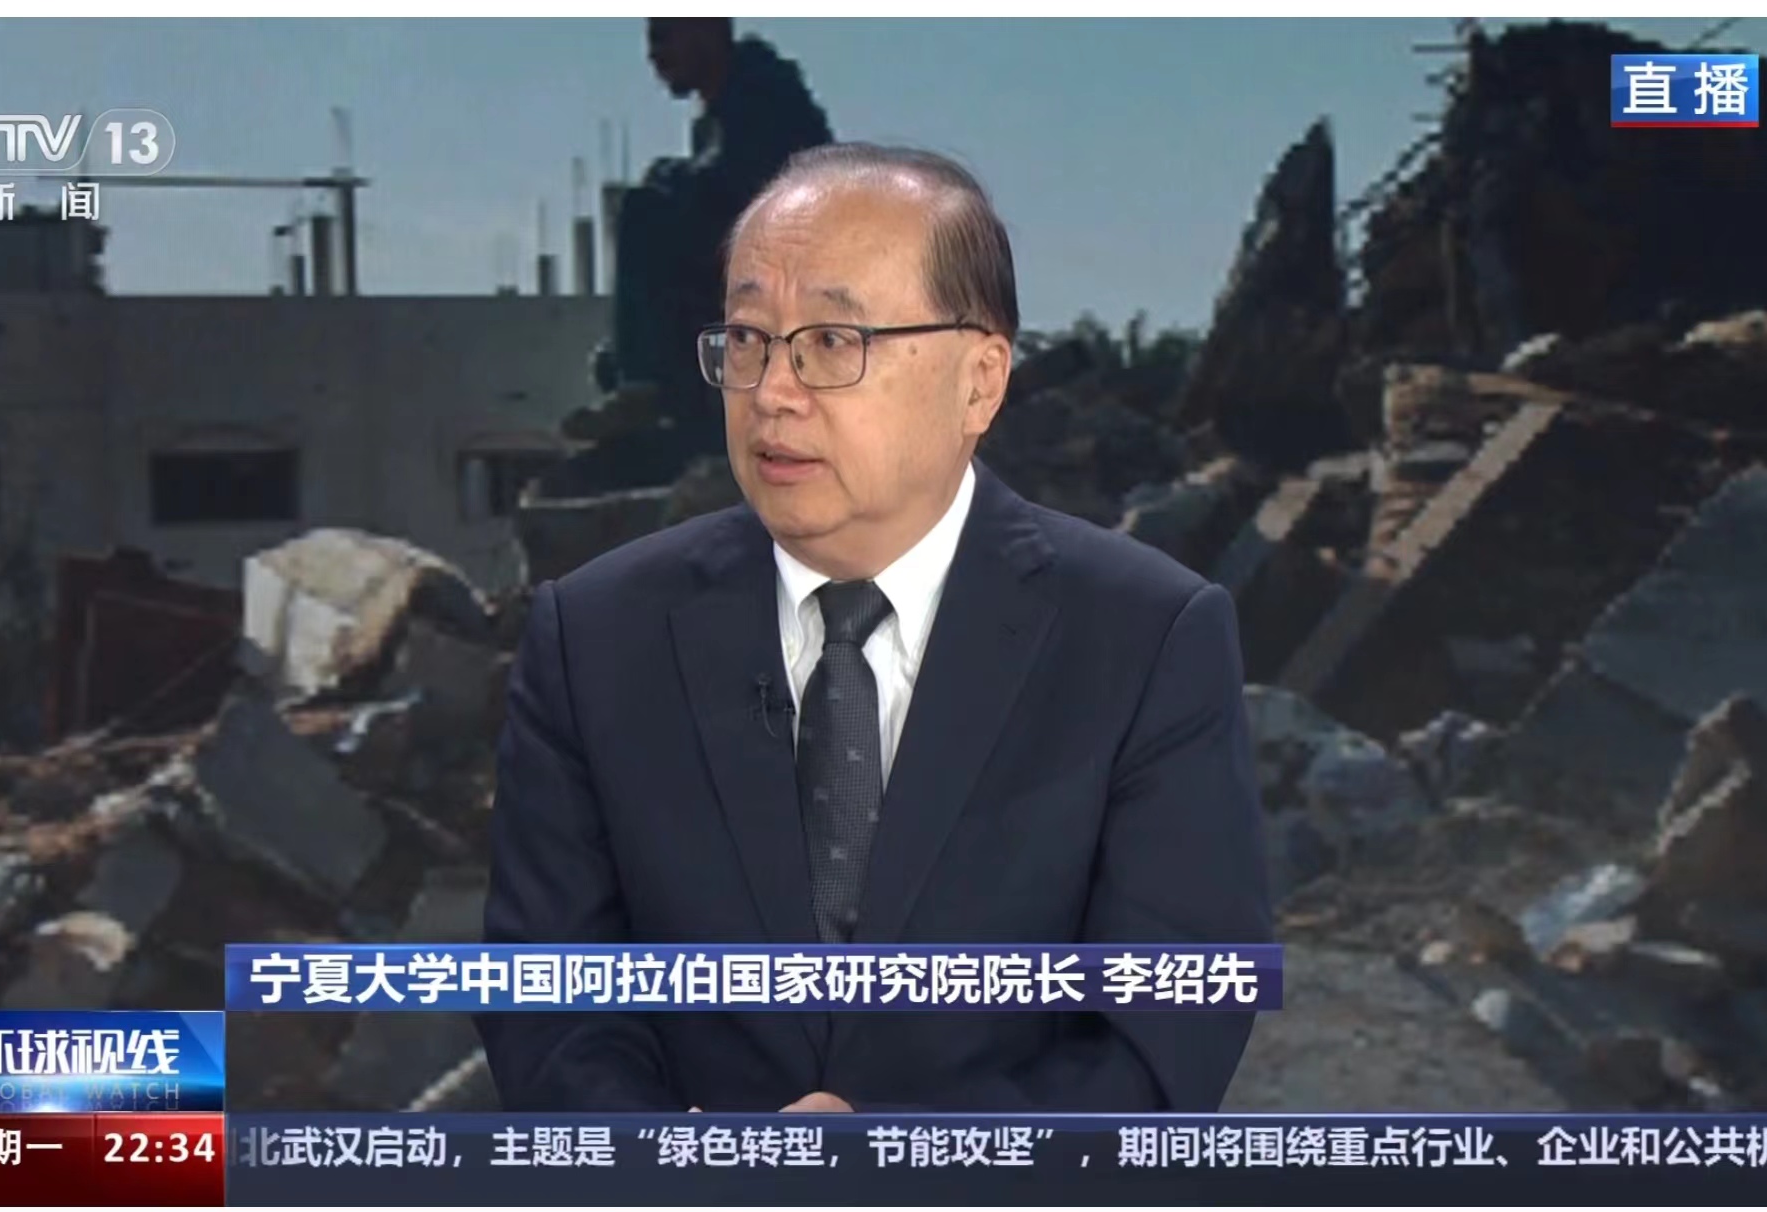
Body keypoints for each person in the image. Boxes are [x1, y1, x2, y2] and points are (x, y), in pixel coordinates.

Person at [481, 144, 1272, 1112]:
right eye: (747, 340)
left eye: (830, 342)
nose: (772, 391)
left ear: (978, 381)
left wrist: (905, 1158)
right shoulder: (595, 637)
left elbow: (1168, 1028)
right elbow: (546, 1003)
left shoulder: (1146, 637)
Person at [545, 18, 833, 498]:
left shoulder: (765, 94)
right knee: (611, 363)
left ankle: (648, 391)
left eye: (665, 36)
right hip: (733, 300)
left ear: (706, 30)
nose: (655, 56)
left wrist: (673, 179)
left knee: (644, 210)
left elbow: (744, 195)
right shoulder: (717, 118)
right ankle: (651, 401)